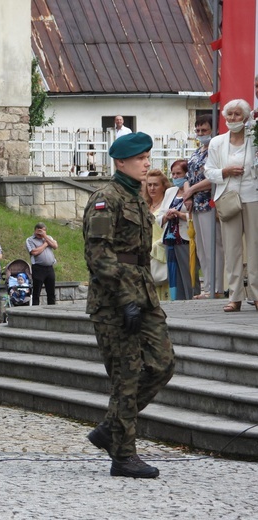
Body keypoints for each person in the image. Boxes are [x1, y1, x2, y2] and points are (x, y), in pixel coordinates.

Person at [82, 132, 175, 479]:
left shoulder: (136, 197)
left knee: (163, 364)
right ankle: (123, 456)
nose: (147, 163)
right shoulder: (106, 199)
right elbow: (98, 256)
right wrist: (125, 300)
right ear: (121, 162)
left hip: (143, 294)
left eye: (149, 157)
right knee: (126, 375)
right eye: (140, 158)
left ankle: (110, 428)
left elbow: (139, 255)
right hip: (113, 301)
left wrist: (142, 297)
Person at [205, 99, 258, 312]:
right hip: (228, 197)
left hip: (252, 196)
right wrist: (224, 172)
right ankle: (234, 296)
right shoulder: (217, 142)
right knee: (232, 248)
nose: (233, 118)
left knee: (255, 246)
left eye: (237, 114)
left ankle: (255, 294)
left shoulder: (254, 139)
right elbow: (208, 171)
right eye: (230, 114)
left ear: (245, 118)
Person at [183, 114, 225, 299]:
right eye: (197, 130)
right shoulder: (198, 151)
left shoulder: (216, 150)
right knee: (201, 248)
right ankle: (207, 286)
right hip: (196, 204)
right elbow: (188, 176)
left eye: (204, 130)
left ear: (213, 130)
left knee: (213, 246)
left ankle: (217, 287)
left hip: (210, 201)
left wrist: (191, 190)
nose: (200, 134)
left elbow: (213, 178)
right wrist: (188, 194)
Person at [157, 160, 198, 300]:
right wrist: (166, 216)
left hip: (186, 239)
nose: (175, 177)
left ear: (187, 174)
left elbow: (196, 216)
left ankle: (193, 298)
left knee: (189, 273)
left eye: (178, 173)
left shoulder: (192, 191)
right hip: (170, 239)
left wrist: (180, 215)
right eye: (173, 174)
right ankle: (178, 301)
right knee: (175, 275)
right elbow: (159, 215)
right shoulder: (170, 192)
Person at [143, 169, 171, 300]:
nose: (152, 188)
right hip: (145, 251)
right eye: (149, 185)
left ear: (164, 186)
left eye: (156, 185)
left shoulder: (167, 204)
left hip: (161, 250)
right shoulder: (144, 205)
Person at [26, 222, 58, 305]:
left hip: (49, 268)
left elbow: (55, 246)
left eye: (42, 231)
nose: (40, 233)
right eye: (38, 231)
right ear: (35, 230)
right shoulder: (30, 240)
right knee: (37, 292)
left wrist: (45, 237)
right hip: (38, 268)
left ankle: (52, 310)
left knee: (51, 292)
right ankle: (35, 311)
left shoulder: (48, 238)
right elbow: (34, 252)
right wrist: (45, 244)